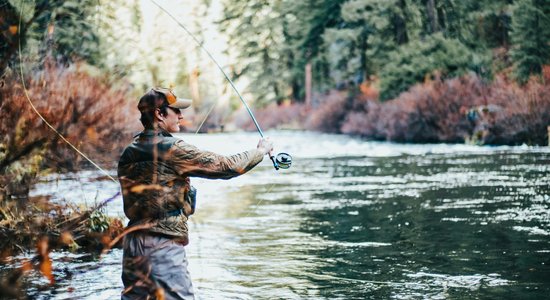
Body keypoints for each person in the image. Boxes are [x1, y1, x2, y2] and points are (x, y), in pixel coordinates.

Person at [117, 87, 273, 299]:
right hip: (162, 246)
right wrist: (260, 151)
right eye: (176, 111)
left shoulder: (129, 151)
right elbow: (226, 167)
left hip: (132, 246)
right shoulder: (172, 148)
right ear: (159, 114)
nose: (181, 115)